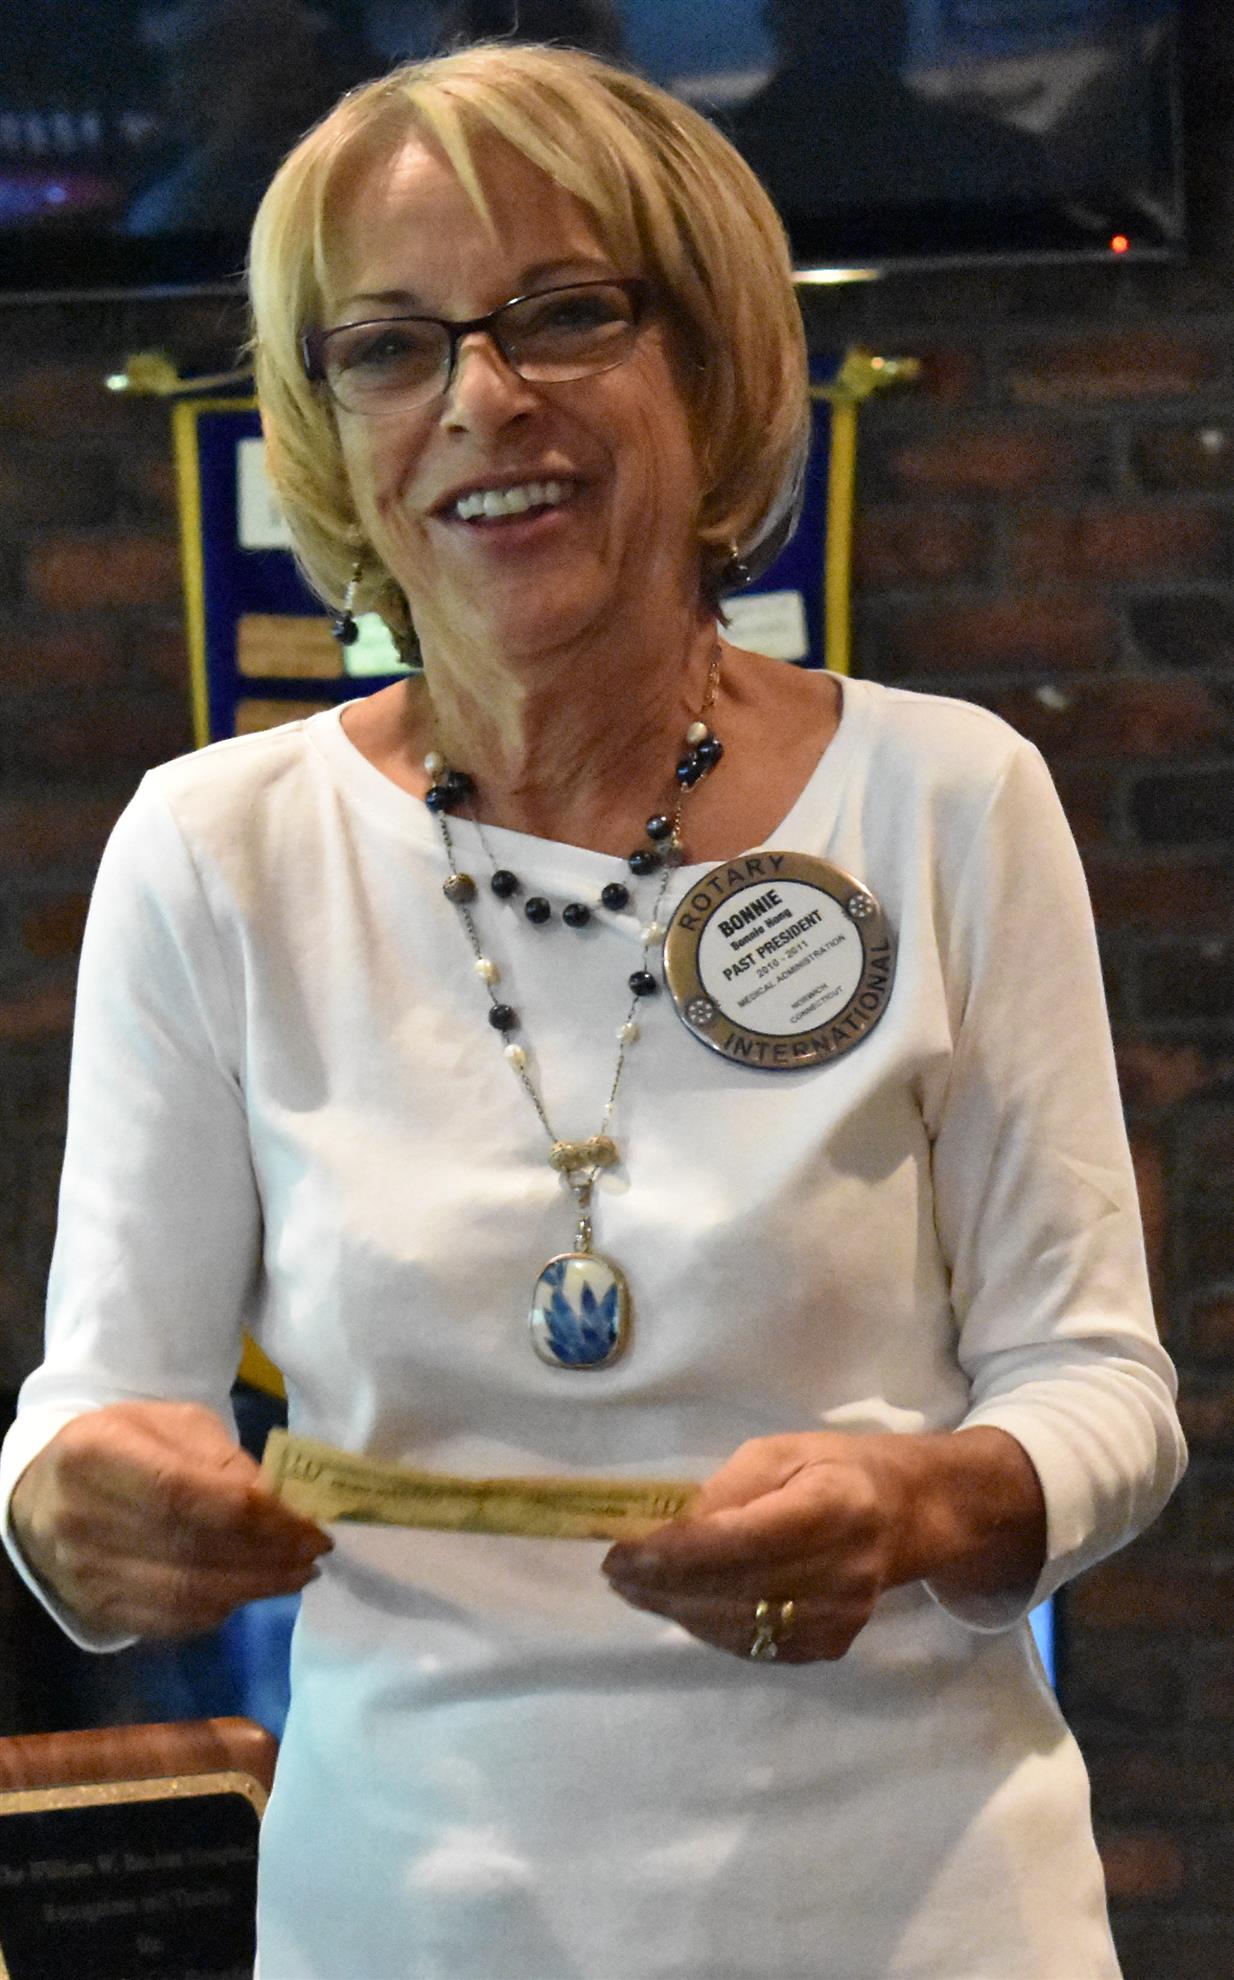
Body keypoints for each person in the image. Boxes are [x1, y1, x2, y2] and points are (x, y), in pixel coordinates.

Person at [0, 41, 1184, 1980]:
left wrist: (928, 1499)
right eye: (389, 347)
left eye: (561, 313)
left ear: (709, 362)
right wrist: (73, 1512)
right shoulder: (214, 852)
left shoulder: (945, 798)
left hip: (917, 1914)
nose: (482, 396)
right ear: (327, 425)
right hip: (407, 1924)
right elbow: (93, 1412)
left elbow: (1099, 1390)